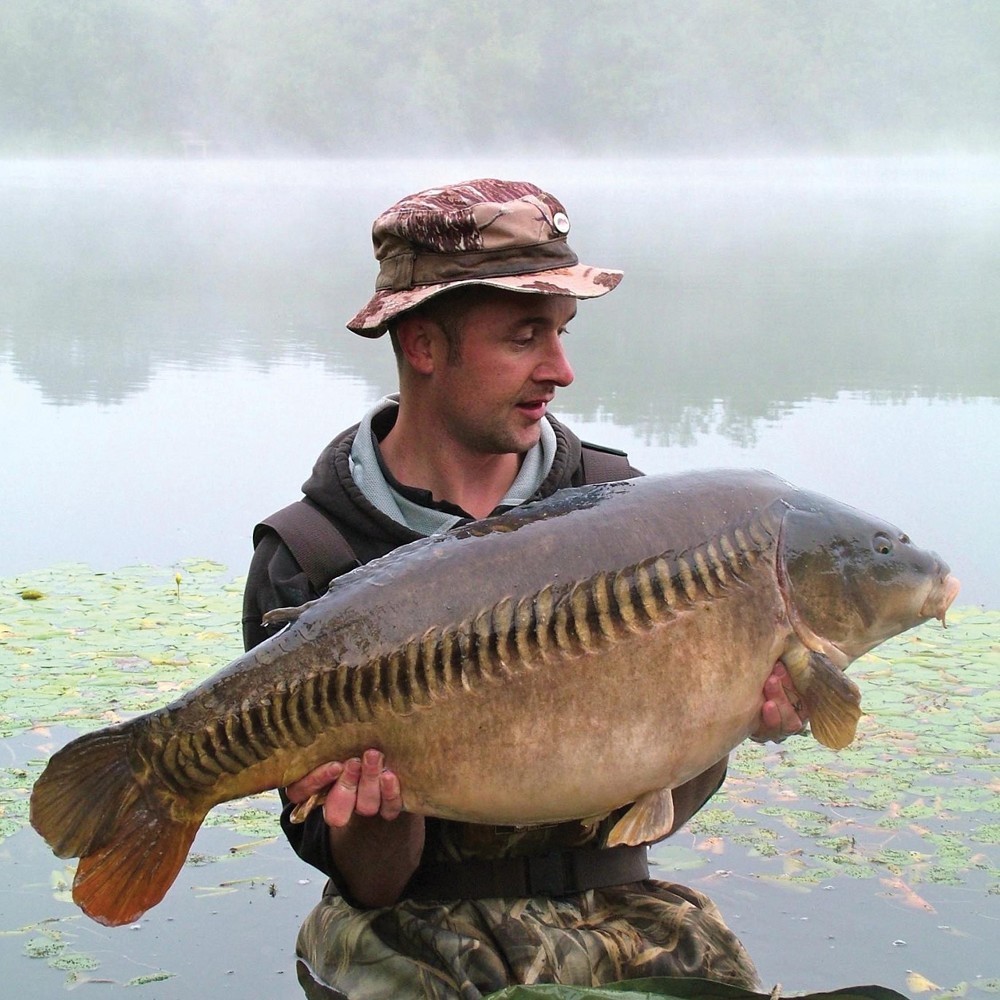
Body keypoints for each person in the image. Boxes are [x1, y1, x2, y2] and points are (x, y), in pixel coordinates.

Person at [242, 178, 808, 1000]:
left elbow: (654, 804)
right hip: (408, 927)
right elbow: (369, 883)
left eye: (563, 332)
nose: (562, 369)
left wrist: (732, 715)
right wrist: (375, 823)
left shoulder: (630, 515)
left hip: (619, 907)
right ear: (425, 346)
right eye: (524, 336)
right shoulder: (312, 554)